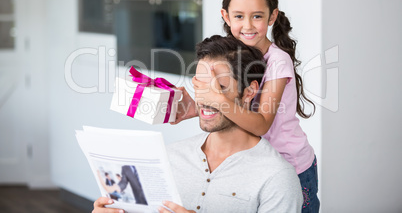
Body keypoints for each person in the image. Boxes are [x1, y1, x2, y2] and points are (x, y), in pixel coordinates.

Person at [93, 35, 303, 213]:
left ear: (249, 92)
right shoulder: (168, 159)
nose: (205, 98)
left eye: (219, 87)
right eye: (200, 85)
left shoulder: (277, 177)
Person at [174, 0, 319, 212]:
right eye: (239, 16)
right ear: (226, 16)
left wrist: (217, 100)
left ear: (272, 16)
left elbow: (261, 124)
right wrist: (195, 106)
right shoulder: (233, 56)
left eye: (257, 16)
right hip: (253, 160)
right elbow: (233, 103)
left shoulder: (278, 61)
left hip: (290, 165)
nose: (248, 26)